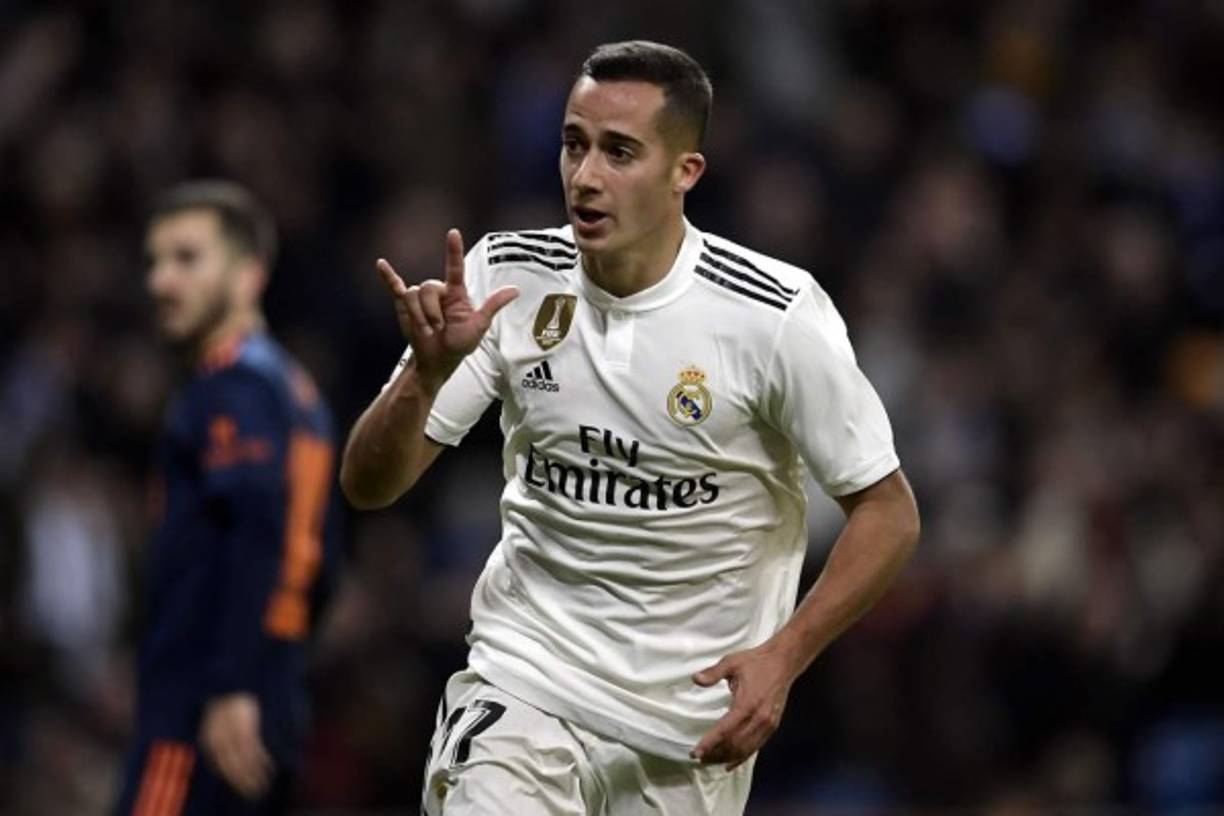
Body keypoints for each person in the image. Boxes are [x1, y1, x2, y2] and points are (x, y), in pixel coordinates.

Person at [342, 41, 920, 815]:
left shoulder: (771, 318)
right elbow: (367, 485)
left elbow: (888, 513)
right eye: (574, 144)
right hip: (525, 682)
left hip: (686, 733)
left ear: (686, 172)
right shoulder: (503, 279)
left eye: (619, 152)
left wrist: (785, 655)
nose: (585, 176)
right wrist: (426, 375)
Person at [115, 181, 341, 815]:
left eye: (187, 259)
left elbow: (257, 525)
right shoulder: (293, 390)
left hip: (207, 707)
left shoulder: (232, 389)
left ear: (247, 277)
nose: (161, 281)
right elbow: (325, 561)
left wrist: (232, 683)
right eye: (154, 262)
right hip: (270, 691)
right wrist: (275, 669)